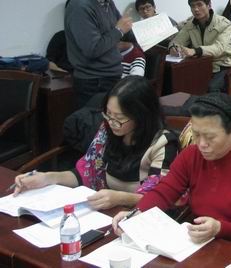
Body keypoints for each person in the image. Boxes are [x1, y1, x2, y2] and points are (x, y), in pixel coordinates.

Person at [112, 93, 231, 245]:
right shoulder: (192, 155)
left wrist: (220, 228)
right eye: (196, 135)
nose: (202, 144)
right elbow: (165, 191)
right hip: (196, 242)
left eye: (210, 137)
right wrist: (137, 213)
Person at [13, 77, 179, 209]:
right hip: (106, 214)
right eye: (108, 114)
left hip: (141, 220)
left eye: (119, 118)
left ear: (142, 115)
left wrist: (120, 198)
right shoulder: (107, 131)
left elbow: (161, 197)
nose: (112, 122)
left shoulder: (162, 144)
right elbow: (86, 173)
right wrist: (47, 177)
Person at [65, 0, 132, 108]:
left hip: (110, 76)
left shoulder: (107, 1)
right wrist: (119, 30)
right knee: (97, 122)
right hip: (94, 82)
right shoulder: (80, 7)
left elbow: (121, 30)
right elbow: (93, 48)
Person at [169, 0, 231, 92]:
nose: (196, 9)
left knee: (211, 87)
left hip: (225, 65)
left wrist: (195, 51)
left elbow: (218, 48)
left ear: (209, 5)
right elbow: (177, 41)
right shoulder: (190, 24)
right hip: (202, 64)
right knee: (181, 81)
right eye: (192, 6)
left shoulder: (224, 24)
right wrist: (173, 47)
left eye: (199, 5)